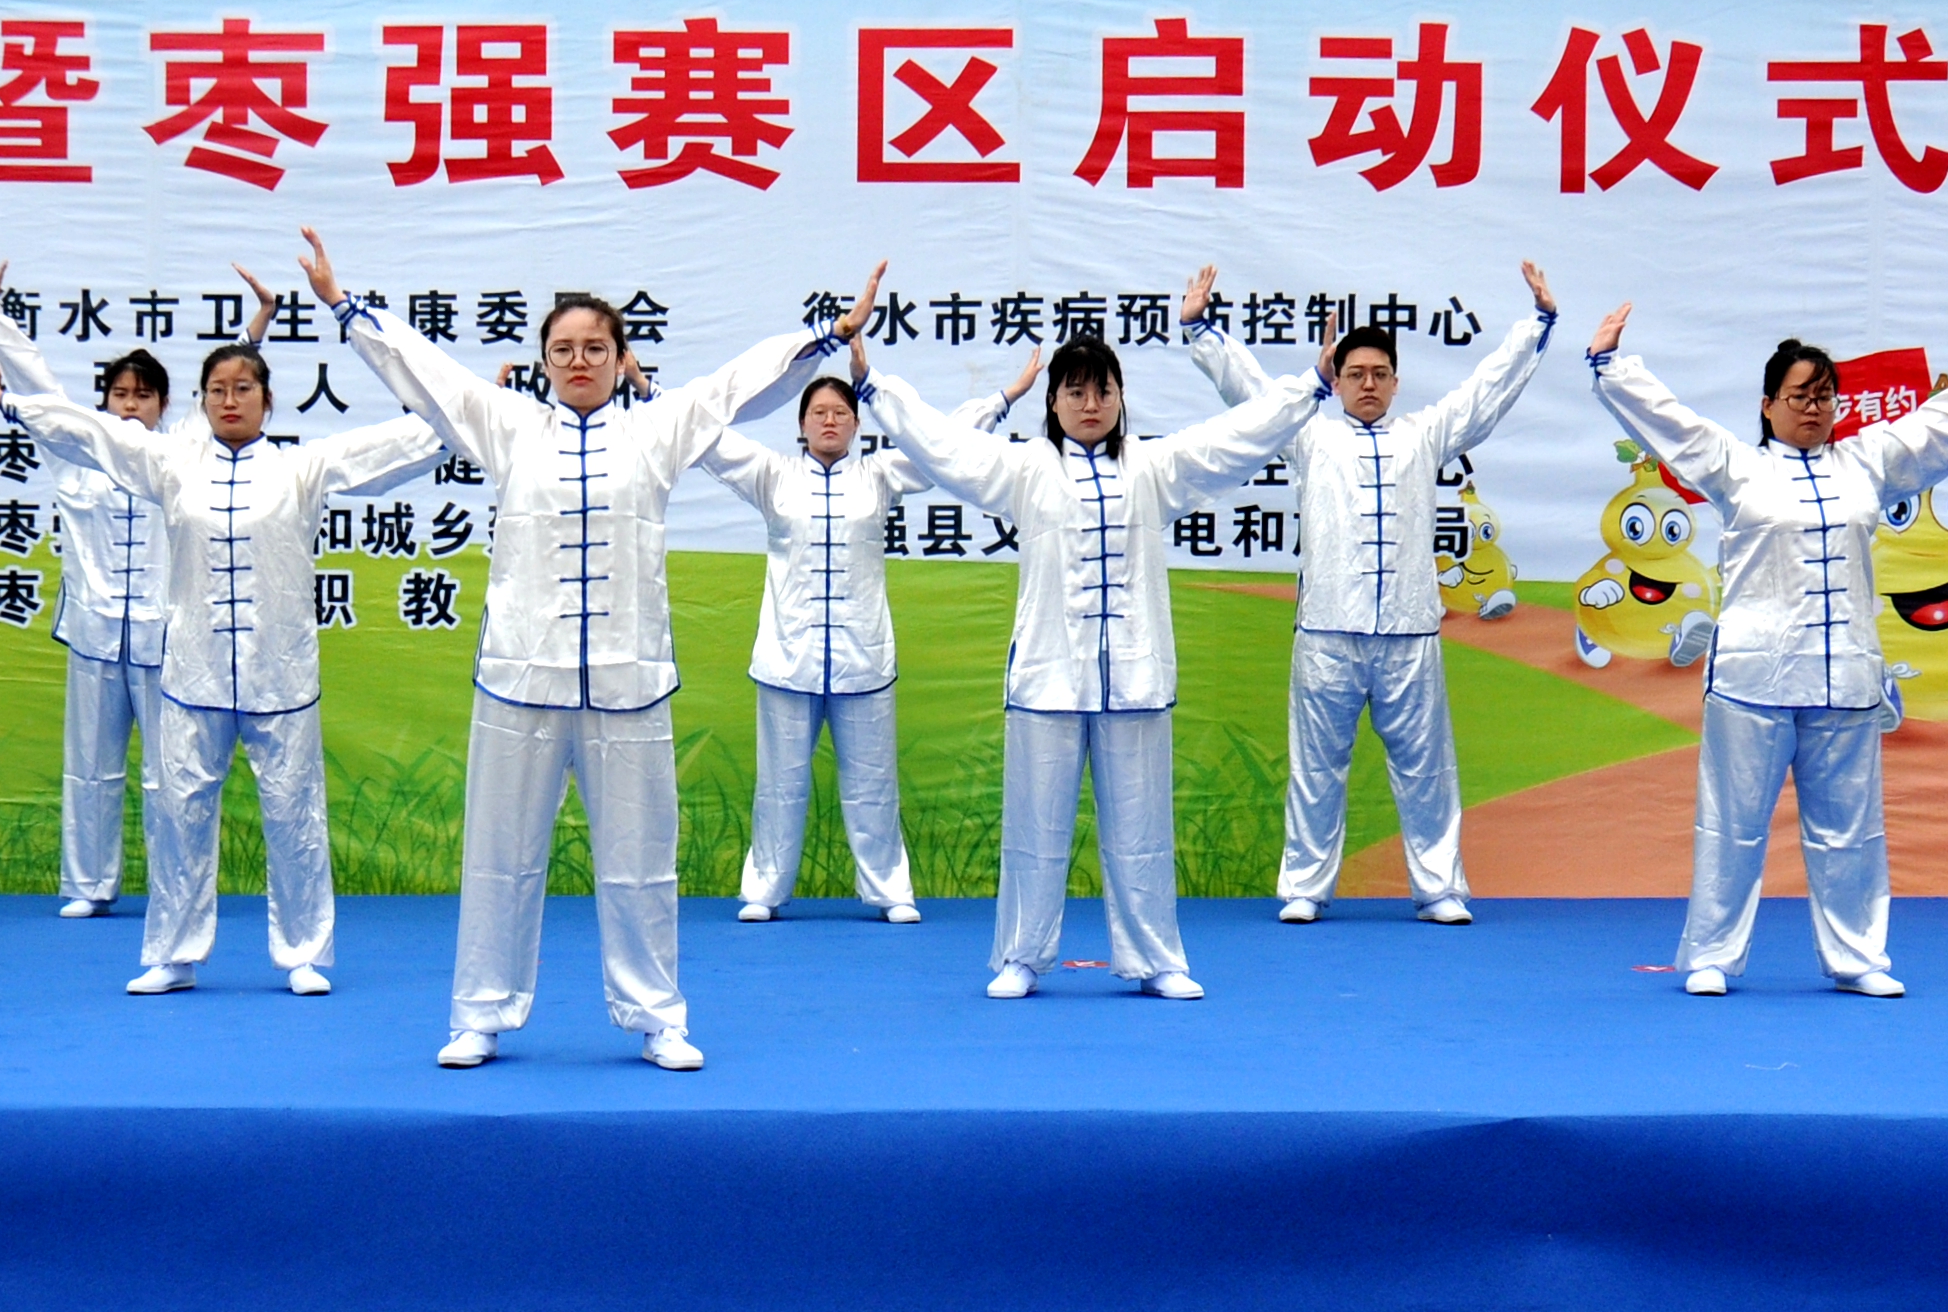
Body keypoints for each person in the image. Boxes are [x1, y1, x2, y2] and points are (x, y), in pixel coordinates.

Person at [307, 228, 881, 1072]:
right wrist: (346, 307)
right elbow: (427, 372)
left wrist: (827, 335)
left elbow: (737, 384)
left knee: (641, 862)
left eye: (595, 347)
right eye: (563, 349)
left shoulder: (656, 430)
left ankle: (658, 1017)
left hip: (629, 682)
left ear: (620, 358)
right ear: (544, 360)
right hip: (519, 681)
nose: (579, 360)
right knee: (500, 859)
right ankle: (479, 1014)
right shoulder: (509, 424)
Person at [0, 267, 440, 998]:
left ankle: (303, 953)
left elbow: (389, 448)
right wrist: (11, 400)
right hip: (191, 674)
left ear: (266, 399)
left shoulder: (301, 468)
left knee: (294, 815)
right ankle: (174, 953)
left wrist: (465, 412)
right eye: (218, 389)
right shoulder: (170, 463)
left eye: (243, 388)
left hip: (280, 677)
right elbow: (88, 429)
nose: (230, 399)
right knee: (179, 815)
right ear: (200, 403)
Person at [863, 326, 1333, 1000]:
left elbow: (1234, 440)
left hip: (1136, 680)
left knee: (1143, 832)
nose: (1091, 404)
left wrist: (1309, 387)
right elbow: (943, 445)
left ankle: (1156, 958)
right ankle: (1022, 957)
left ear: (1120, 399)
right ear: (1053, 401)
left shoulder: (1154, 466)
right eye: (1076, 391)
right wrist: (876, 389)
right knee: (1034, 831)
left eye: (1103, 391)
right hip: (1047, 680)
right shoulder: (1025, 468)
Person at [1582, 304, 1948, 998]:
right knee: (1731, 826)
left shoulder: (1866, 464)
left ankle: (1858, 958)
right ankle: (1712, 956)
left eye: (1824, 395)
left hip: (1844, 678)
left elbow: (1938, 428)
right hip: (1752, 678)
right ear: (1768, 405)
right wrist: (1611, 364)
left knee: (1850, 830)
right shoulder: (1737, 467)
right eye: (1799, 395)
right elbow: (1671, 423)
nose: (1813, 407)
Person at [1180, 262, 1556, 927]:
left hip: (1409, 634)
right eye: (1355, 373)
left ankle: (1438, 888)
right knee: (1316, 768)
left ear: (1397, 381)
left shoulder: (1424, 434)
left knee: (1426, 769)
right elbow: (1255, 395)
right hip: (1327, 633)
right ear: (1336, 379)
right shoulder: (1310, 434)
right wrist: (1201, 330)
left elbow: (1485, 392)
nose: (1369, 384)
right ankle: (1304, 886)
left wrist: (1536, 324)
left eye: (1380, 373)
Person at [693, 345, 1036, 926]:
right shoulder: (772, 476)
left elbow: (941, 442)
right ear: (801, 424)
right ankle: (765, 890)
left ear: (856, 424)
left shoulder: (879, 476)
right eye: (819, 413)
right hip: (787, 658)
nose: (830, 420)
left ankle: (888, 889)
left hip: (864, 659)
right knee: (779, 785)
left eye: (841, 413)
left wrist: (1002, 400)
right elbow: (710, 441)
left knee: (873, 785)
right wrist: (649, 394)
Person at [0, 265, 177, 921]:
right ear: (104, 401)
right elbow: (39, 388)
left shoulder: (183, 458)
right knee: (90, 765)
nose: (130, 404)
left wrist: (256, 327)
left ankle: (175, 887)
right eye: (120, 393)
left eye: (143, 395)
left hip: (164, 637)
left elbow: (231, 389)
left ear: (163, 405)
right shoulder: (73, 453)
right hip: (94, 631)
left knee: (169, 771)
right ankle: (90, 884)